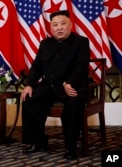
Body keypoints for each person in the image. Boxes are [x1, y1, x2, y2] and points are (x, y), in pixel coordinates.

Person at [20, 10, 90, 160]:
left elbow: (81, 67)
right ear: (51, 28)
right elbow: (37, 66)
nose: (59, 28)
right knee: (29, 100)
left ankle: (70, 147)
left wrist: (69, 82)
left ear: (70, 25)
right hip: (49, 87)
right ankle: (38, 142)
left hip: (72, 87)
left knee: (72, 104)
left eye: (63, 24)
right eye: (55, 25)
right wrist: (29, 84)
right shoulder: (45, 44)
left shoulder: (81, 42)